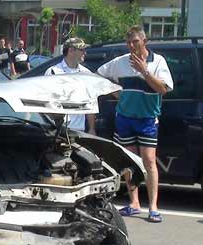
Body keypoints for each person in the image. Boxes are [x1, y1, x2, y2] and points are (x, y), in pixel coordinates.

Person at [97, 26, 173, 223]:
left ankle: (153, 207)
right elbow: (100, 74)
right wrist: (117, 94)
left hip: (147, 118)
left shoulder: (158, 62)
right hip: (124, 117)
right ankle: (134, 203)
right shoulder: (120, 62)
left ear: (144, 42)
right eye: (129, 43)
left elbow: (163, 89)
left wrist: (144, 71)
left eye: (135, 42)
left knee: (149, 161)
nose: (131, 46)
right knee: (130, 161)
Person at [44, 37, 96, 134]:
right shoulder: (53, 72)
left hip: (79, 130)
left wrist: (92, 129)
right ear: (71, 50)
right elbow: (45, 102)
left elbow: (91, 103)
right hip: (57, 129)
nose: (85, 53)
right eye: (82, 50)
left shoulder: (86, 73)